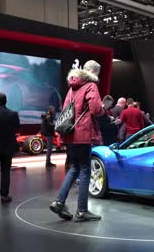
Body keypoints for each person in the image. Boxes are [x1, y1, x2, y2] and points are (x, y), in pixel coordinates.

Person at [50, 60, 104, 222]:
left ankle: (59, 202)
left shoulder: (72, 87)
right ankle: (82, 211)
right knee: (85, 170)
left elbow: (66, 110)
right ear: (94, 72)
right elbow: (95, 109)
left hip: (70, 134)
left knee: (75, 168)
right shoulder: (91, 86)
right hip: (83, 134)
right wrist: (102, 110)